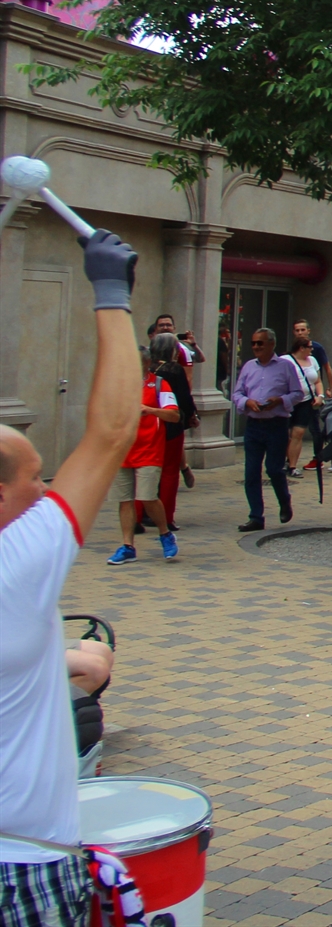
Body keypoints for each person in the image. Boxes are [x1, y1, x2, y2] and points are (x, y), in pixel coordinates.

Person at [0, 231, 141, 924]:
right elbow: (112, 430)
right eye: (35, 478)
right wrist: (111, 294)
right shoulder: (17, 564)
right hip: (23, 864)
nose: (46, 488)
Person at [105, 338, 181, 565]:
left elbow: (174, 415)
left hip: (149, 450)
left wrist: (150, 410)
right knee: (124, 500)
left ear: (146, 363)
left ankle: (165, 534)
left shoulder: (159, 384)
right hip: (123, 450)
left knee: (147, 497)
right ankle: (127, 546)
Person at [229, 326, 300, 531]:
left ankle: (284, 501)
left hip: (276, 424)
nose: (256, 347)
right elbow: (237, 393)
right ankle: (256, 516)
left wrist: (280, 400)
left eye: (260, 343)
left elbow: (297, 393)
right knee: (251, 472)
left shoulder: (285, 366)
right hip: (254, 425)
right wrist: (247, 402)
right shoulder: (248, 367)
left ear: (271, 344)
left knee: (274, 469)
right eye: (253, 343)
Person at [149, 331, 195, 534]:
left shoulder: (148, 369)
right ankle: (166, 517)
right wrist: (192, 415)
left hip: (149, 424)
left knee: (145, 470)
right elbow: (184, 398)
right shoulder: (174, 370)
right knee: (169, 471)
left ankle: (138, 515)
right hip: (170, 424)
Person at [284, 331, 329, 476]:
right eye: (309, 347)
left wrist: (320, 396)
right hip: (288, 402)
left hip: (306, 401)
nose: (312, 349)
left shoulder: (313, 361)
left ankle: (292, 466)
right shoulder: (285, 360)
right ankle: (282, 461)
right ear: (301, 348)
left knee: (298, 433)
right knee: (285, 434)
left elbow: (318, 381)